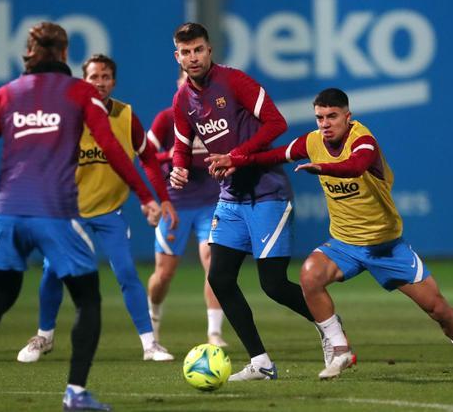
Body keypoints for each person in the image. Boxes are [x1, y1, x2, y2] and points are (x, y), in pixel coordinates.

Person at [206, 88, 453, 380]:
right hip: (344, 245)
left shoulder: (363, 139)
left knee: (437, 308)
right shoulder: (312, 141)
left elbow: (356, 166)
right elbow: (273, 156)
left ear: (348, 116)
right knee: (310, 275)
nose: (325, 124)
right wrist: (235, 160)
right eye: (319, 118)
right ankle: (340, 348)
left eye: (332, 117)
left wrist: (323, 167)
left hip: (385, 247)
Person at [0, 22, 160, 411]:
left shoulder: (4, 95)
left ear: (28, 52)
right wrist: (145, 195)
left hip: (8, 214)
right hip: (55, 213)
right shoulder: (80, 93)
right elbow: (113, 148)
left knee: (2, 293)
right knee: (88, 302)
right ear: (66, 55)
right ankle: (76, 393)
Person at [169, 22, 315, 381]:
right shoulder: (181, 100)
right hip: (231, 197)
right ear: (178, 56)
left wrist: (237, 154)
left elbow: (276, 123)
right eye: (185, 52)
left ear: (210, 50)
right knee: (219, 277)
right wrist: (178, 170)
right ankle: (261, 362)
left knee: (274, 285)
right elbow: (181, 147)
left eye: (198, 49)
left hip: (266, 190)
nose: (193, 57)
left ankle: (329, 327)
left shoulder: (234, 81)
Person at [16, 54, 177, 365]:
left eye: (105, 77)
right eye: (94, 77)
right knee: (52, 271)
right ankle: (44, 337)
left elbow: (147, 158)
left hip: (109, 212)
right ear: (83, 80)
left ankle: (150, 344)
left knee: (126, 272)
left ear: (113, 81)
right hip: (69, 213)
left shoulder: (126, 115)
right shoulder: (66, 115)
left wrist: (159, 197)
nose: (100, 82)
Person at [146, 70, 227, 348]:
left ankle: (214, 333)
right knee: (164, 273)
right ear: (179, 84)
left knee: (214, 264)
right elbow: (145, 156)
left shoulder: (217, 118)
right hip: (176, 204)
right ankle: (153, 322)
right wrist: (169, 157)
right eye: (185, 80)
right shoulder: (167, 118)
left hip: (210, 201)